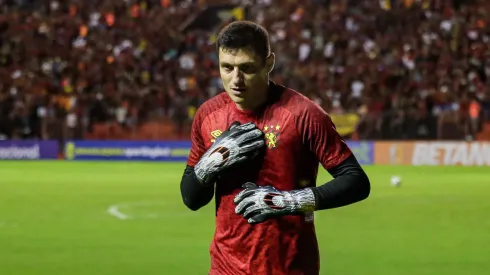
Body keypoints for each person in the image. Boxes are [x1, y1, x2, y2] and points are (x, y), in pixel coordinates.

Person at [180, 21, 371, 275]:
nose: (236, 79)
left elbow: (356, 181)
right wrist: (210, 162)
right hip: (225, 268)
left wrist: (286, 201)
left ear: (269, 63)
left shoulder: (303, 114)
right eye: (227, 68)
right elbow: (192, 199)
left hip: (290, 267)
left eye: (247, 68)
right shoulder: (208, 115)